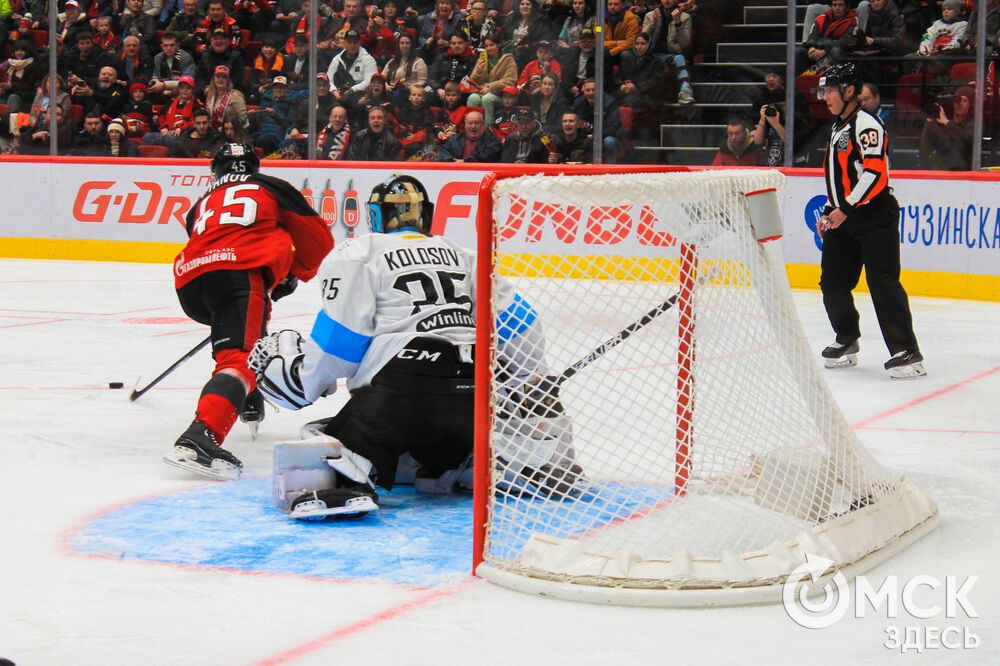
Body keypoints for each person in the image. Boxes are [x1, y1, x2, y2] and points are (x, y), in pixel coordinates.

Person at [248, 174, 586, 519]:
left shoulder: (360, 252)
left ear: (376, 215)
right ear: (426, 215)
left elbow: (342, 342)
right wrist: (528, 381)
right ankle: (473, 462)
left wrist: (303, 378)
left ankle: (345, 479)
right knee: (442, 438)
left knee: (326, 436)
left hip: (403, 392)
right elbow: (520, 322)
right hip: (474, 400)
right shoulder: (463, 254)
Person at [165, 142, 333, 482]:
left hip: (191, 283)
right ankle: (200, 437)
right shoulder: (271, 186)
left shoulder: (198, 205)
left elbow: (211, 242)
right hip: (238, 274)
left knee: (243, 335)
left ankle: (247, 395)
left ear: (216, 171)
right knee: (238, 358)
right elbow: (319, 243)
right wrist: (291, 274)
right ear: (254, 168)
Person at [815, 63, 924, 379]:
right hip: (845, 214)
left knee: (883, 282)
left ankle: (907, 351)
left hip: (874, 214)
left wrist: (844, 207)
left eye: (831, 90)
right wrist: (830, 208)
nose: (825, 97)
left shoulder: (867, 125)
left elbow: (876, 174)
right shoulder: (838, 126)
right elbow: (844, 177)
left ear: (849, 91)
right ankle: (847, 338)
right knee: (833, 282)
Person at [919, 84, 974, 171]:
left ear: (971, 105)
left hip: (963, 172)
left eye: (965, 101)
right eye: (958, 100)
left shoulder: (973, 125)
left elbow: (967, 144)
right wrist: (929, 123)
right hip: (941, 171)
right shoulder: (944, 124)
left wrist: (946, 123)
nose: (960, 103)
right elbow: (925, 147)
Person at [465, 33, 516, 125]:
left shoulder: (508, 60)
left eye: (491, 45)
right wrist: (479, 72)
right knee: (473, 97)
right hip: (482, 91)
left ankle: (487, 126)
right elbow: (473, 81)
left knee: (487, 99)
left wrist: (491, 88)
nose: (488, 48)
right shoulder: (483, 59)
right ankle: (470, 124)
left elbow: (510, 80)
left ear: (499, 45)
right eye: (486, 46)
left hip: (501, 95)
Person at [794, 0, 857, 75]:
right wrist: (811, 47)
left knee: (836, 51)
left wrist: (825, 50)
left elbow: (846, 41)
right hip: (819, 50)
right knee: (798, 51)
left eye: (841, 5)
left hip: (837, 51)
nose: (837, 8)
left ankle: (822, 79)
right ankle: (798, 81)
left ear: (847, 7)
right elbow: (813, 36)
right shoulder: (821, 19)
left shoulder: (853, 20)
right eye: (834, 5)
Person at [437, 107, 501, 161]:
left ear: (483, 125)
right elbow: (443, 153)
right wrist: (453, 162)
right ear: (465, 125)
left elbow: (485, 157)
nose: (473, 126)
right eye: (470, 123)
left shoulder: (493, 141)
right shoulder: (455, 139)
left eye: (477, 123)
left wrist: (465, 162)